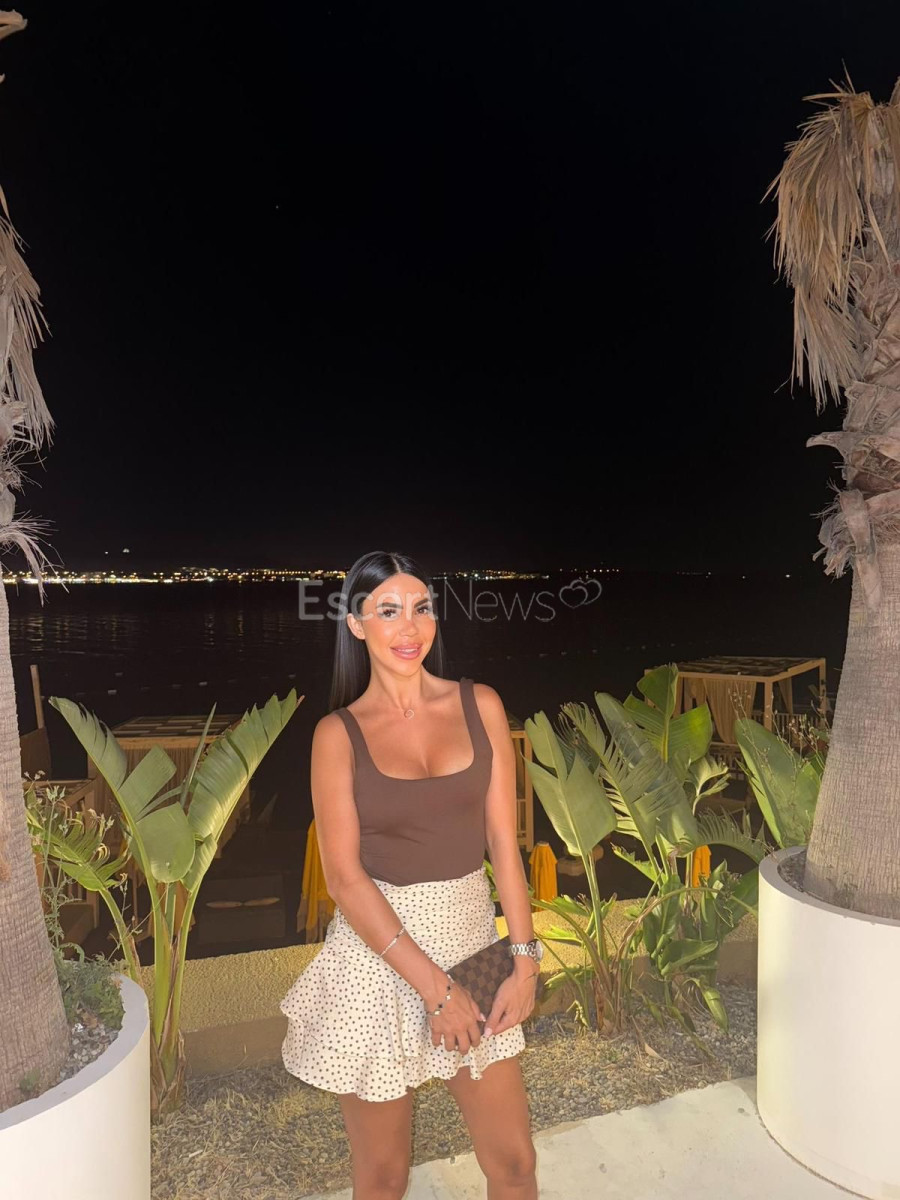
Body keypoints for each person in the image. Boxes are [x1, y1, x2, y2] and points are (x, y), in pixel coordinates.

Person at [280, 549, 541, 1200]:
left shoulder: (480, 704)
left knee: (514, 1163)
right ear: (356, 624)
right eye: (389, 610)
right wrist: (436, 991)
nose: (410, 627)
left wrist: (524, 958)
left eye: (421, 609)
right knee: (384, 1177)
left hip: (472, 943)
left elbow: (503, 844)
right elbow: (344, 879)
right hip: (379, 960)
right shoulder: (337, 735)